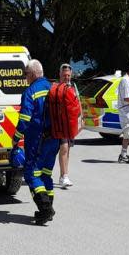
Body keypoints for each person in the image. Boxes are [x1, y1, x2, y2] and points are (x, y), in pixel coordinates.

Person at [14, 59, 60, 225]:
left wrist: (16, 137)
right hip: (55, 139)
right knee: (46, 173)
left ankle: (45, 209)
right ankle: (48, 207)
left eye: (26, 74)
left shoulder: (30, 91)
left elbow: (25, 119)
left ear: (32, 74)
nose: (25, 77)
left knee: (32, 173)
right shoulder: (52, 87)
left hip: (37, 141)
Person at [49, 63, 82, 189]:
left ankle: (65, 174)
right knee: (63, 148)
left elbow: (78, 102)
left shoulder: (73, 86)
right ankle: (63, 176)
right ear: (60, 75)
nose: (67, 77)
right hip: (61, 125)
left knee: (67, 150)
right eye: (64, 75)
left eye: (68, 75)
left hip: (70, 124)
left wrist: (81, 120)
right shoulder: (56, 87)